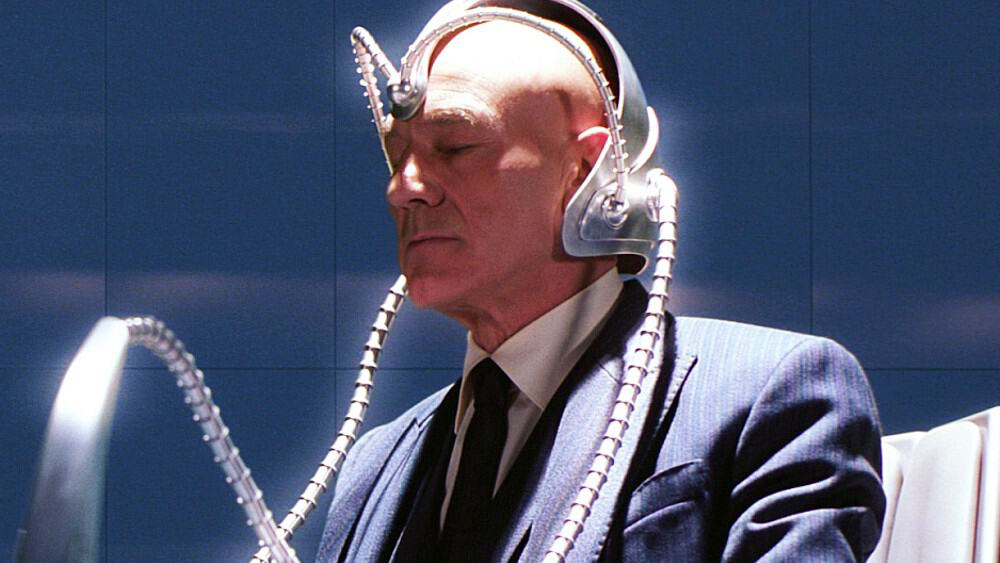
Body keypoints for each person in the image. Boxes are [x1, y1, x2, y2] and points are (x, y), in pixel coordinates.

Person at [319, 5, 885, 562]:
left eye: (456, 147)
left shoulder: (769, 391)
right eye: (398, 154)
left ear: (587, 170)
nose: (403, 189)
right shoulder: (374, 468)